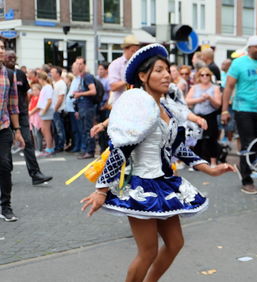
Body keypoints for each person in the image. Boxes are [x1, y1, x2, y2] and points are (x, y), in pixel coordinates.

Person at [80, 43, 234, 281]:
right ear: (143, 76)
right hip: (140, 185)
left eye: (167, 70)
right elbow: (120, 147)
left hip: (164, 183)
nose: (167, 75)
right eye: (159, 70)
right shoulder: (138, 103)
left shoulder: (166, 107)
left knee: (175, 244)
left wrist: (209, 169)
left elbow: (177, 147)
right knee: (148, 251)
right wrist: (101, 190)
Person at [221, 35, 257, 195]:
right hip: (243, 108)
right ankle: (247, 180)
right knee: (247, 143)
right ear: (249, 48)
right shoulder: (238, 63)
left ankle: (248, 167)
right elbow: (228, 87)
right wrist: (224, 110)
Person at [4, 50, 52, 185]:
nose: (12, 60)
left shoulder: (20, 74)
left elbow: (26, 93)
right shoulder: (3, 74)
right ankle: (6, 174)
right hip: (5, 114)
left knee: (28, 142)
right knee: (6, 145)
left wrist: (25, 108)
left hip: (21, 114)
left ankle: (35, 174)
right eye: (9, 58)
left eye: (14, 58)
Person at [0, 39, 25, 222]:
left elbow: (13, 105)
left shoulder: (9, 74)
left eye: (2, 47)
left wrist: (17, 130)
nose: (1, 50)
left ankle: (5, 206)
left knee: (5, 165)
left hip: (3, 127)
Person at [185, 67, 222, 167]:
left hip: (210, 116)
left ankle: (213, 161)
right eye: (202, 75)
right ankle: (197, 162)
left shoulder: (215, 88)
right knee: (196, 139)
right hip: (197, 116)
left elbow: (218, 104)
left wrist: (210, 98)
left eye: (207, 75)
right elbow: (187, 101)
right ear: (199, 77)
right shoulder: (194, 87)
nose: (205, 77)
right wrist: (199, 99)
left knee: (211, 139)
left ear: (210, 76)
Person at [73, 57, 97, 159]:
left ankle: (90, 151)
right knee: (84, 130)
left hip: (87, 108)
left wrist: (79, 94)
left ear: (84, 65)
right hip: (82, 108)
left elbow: (93, 91)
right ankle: (86, 150)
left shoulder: (87, 77)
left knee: (88, 130)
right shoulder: (82, 77)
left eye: (80, 64)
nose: (78, 66)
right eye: (77, 63)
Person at [107, 35, 140, 105]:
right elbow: (113, 86)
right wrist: (128, 79)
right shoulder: (115, 64)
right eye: (133, 51)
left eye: (137, 51)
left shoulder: (139, 64)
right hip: (120, 104)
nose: (135, 53)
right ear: (125, 49)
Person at [35, 71, 55, 157]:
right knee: (44, 129)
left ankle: (49, 148)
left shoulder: (48, 87)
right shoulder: (45, 87)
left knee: (46, 130)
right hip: (44, 110)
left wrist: (44, 110)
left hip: (47, 110)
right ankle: (48, 147)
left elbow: (49, 101)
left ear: (41, 78)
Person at [64, 63, 82, 153]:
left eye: (74, 68)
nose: (72, 70)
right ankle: (75, 145)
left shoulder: (80, 80)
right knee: (74, 129)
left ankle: (79, 146)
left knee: (78, 129)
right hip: (71, 108)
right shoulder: (75, 79)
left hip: (75, 108)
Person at [50, 66, 67, 153]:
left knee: (59, 129)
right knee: (55, 130)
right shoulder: (54, 83)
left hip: (58, 110)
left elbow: (61, 98)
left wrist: (55, 108)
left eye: (52, 72)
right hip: (54, 109)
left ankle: (60, 146)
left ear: (57, 74)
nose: (51, 74)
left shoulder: (61, 84)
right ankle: (57, 145)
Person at [96, 62, 111, 152]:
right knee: (100, 128)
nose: (99, 71)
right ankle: (102, 148)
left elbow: (110, 94)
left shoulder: (108, 80)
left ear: (106, 70)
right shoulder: (97, 79)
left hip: (105, 106)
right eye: (99, 69)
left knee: (106, 129)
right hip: (98, 105)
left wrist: (106, 105)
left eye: (101, 69)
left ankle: (106, 148)